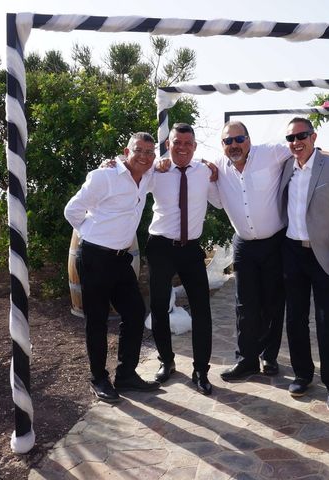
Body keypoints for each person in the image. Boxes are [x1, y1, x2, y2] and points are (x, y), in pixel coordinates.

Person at [64, 132, 161, 403]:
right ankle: (98, 378)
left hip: (120, 258)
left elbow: (168, 165)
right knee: (97, 320)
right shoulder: (103, 176)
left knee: (135, 311)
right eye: (138, 150)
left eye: (149, 152)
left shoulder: (148, 176)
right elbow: (72, 210)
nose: (144, 155)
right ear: (126, 150)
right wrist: (89, 232)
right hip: (94, 257)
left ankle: (126, 375)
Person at [278, 117, 329, 413]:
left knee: (326, 320)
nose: (296, 142)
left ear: (313, 136)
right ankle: (302, 374)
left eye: (301, 136)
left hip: (324, 253)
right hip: (291, 252)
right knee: (295, 317)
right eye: (291, 138)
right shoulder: (286, 165)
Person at [211, 121, 292, 380]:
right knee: (244, 305)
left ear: (249, 139)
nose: (234, 145)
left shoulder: (270, 153)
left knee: (272, 303)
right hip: (244, 245)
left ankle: (268, 357)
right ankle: (246, 360)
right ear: (222, 145)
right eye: (228, 141)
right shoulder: (217, 168)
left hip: (274, 242)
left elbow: (305, 149)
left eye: (239, 139)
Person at [147, 123, 215, 395]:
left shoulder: (205, 172)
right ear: (168, 145)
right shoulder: (156, 170)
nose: (182, 148)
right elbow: (129, 168)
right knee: (159, 306)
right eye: (177, 143)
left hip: (191, 249)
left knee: (202, 309)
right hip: (161, 246)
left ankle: (201, 370)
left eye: (188, 143)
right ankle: (167, 361)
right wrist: (109, 164)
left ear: (195, 146)